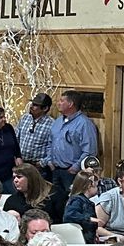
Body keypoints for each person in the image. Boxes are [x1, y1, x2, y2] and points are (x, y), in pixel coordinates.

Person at [43, 90, 99, 221]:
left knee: (72, 203)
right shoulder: (57, 122)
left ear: (71, 104)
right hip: (55, 170)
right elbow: (50, 142)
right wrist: (49, 160)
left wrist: (75, 167)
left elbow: (90, 150)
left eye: (62, 101)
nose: (58, 103)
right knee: (55, 202)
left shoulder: (84, 124)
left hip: (72, 173)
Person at [14, 92, 54, 170]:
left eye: (35, 105)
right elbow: (16, 139)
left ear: (45, 108)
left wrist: (42, 163)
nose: (31, 106)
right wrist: (16, 156)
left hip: (38, 166)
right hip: (21, 163)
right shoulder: (25, 118)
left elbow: (53, 148)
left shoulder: (52, 124)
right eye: (32, 104)